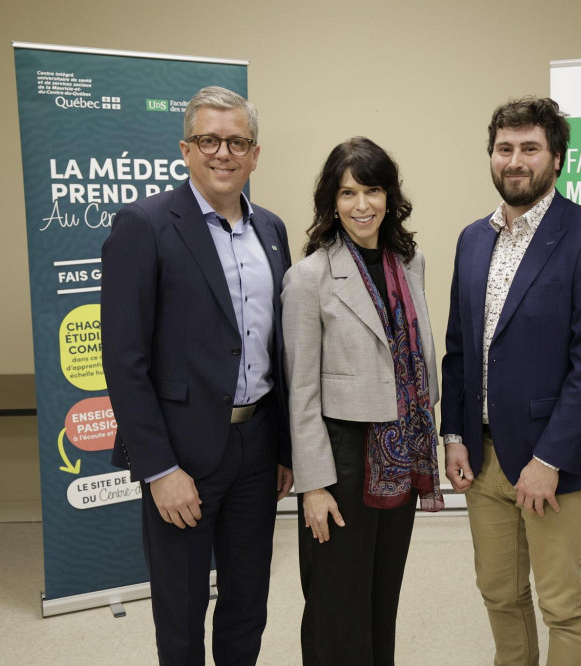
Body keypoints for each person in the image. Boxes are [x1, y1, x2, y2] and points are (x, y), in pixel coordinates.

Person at [101, 86, 293, 665]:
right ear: (186, 149)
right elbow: (124, 359)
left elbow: (278, 347)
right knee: (181, 613)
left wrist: (283, 447)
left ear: (255, 154)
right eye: (208, 140)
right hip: (181, 454)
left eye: (237, 141)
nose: (223, 153)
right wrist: (158, 468)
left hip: (257, 448)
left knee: (247, 602)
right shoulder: (145, 224)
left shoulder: (273, 230)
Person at [440, 97, 581, 665]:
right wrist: (453, 436)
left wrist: (550, 459)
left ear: (556, 158)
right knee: (499, 593)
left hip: (552, 462)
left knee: (562, 603)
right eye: (504, 149)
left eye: (529, 148)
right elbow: (458, 349)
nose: (515, 160)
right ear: (491, 156)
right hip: (484, 456)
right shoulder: (474, 238)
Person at [281, 137, 443, 665]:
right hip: (343, 460)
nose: (361, 205)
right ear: (331, 200)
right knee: (335, 604)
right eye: (348, 192)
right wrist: (313, 487)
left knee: (381, 597)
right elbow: (301, 394)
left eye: (372, 190)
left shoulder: (409, 263)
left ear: (390, 196)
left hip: (399, 456)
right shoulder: (309, 278)